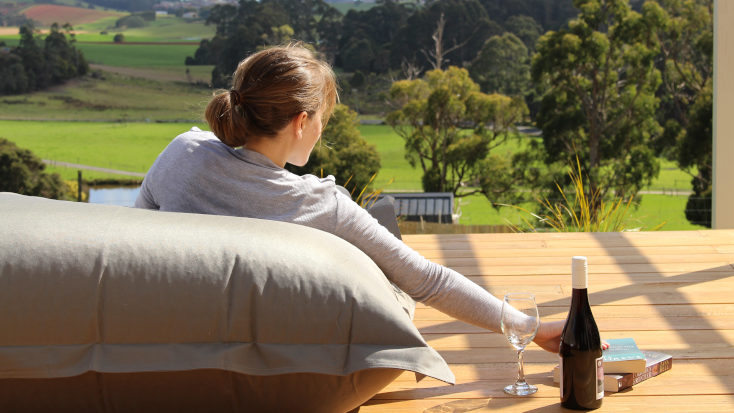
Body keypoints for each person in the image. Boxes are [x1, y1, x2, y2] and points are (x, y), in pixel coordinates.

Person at [134, 43, 575, 355]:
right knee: (386, 258)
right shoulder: (321, 206)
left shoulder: (181, 153)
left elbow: (135, 240)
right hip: (290, 347)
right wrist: (529, 327)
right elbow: (425, 280)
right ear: (301, 122)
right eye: (323, 117)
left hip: (183, 339)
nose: (323, 128)